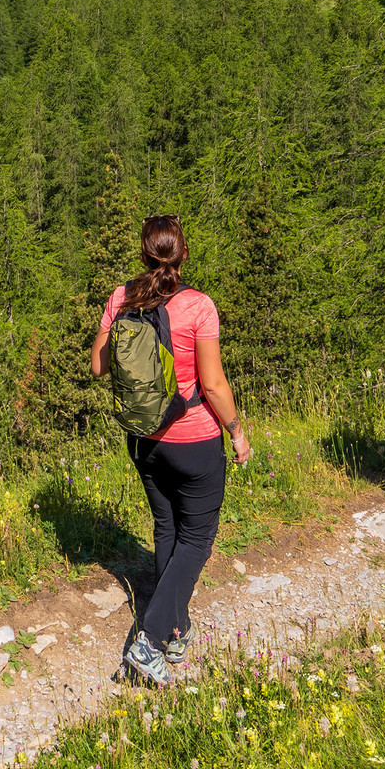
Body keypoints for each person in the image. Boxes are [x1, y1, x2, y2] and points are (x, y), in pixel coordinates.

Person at [92, 214, 250, 688]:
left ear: (143, 255)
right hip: (195, 438)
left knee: (166, 528)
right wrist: (237, 432)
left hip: (144, 439)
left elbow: (98, 366)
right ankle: (151, 639)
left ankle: (176, 630)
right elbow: (214, 384)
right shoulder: (198, 306)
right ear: (183, 256)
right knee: (197, 540)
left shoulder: (121, 298)